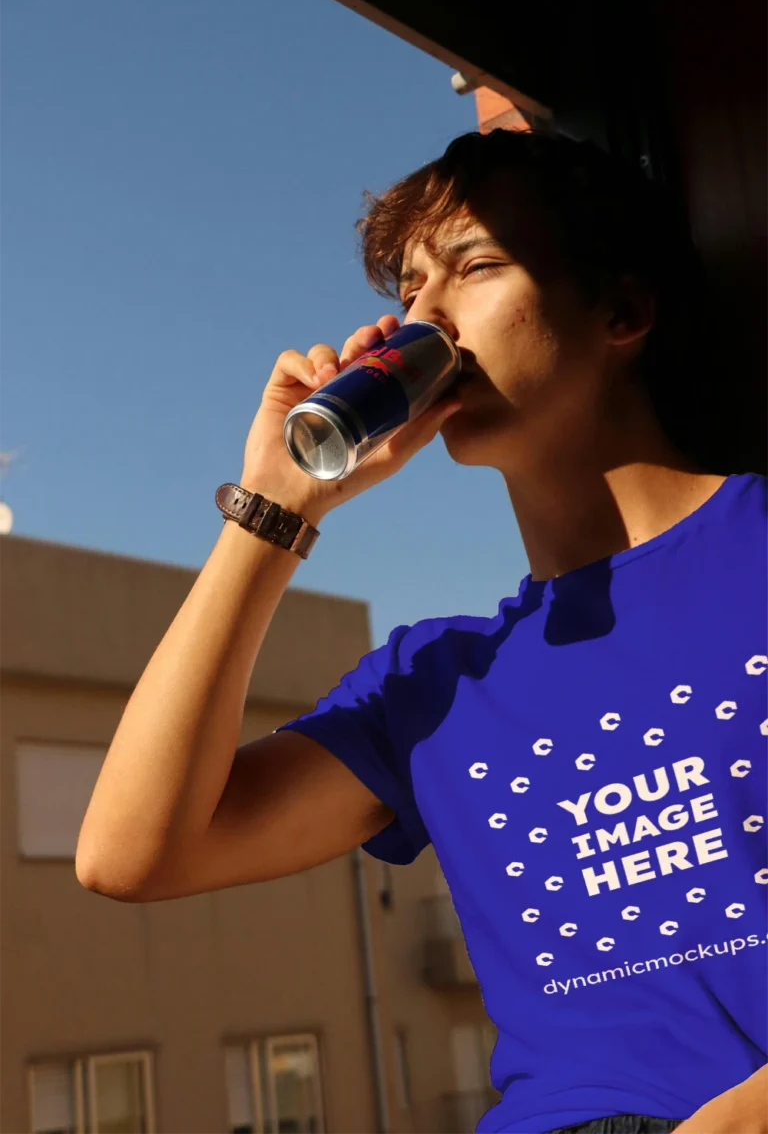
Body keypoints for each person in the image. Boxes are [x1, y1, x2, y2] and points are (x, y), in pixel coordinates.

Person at [76, 130, 768, 1134]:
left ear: (621, 310)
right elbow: (130, 855)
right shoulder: (437, 681)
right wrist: (280, 508)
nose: (424, 319)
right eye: (409, 288)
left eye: (476, 267)